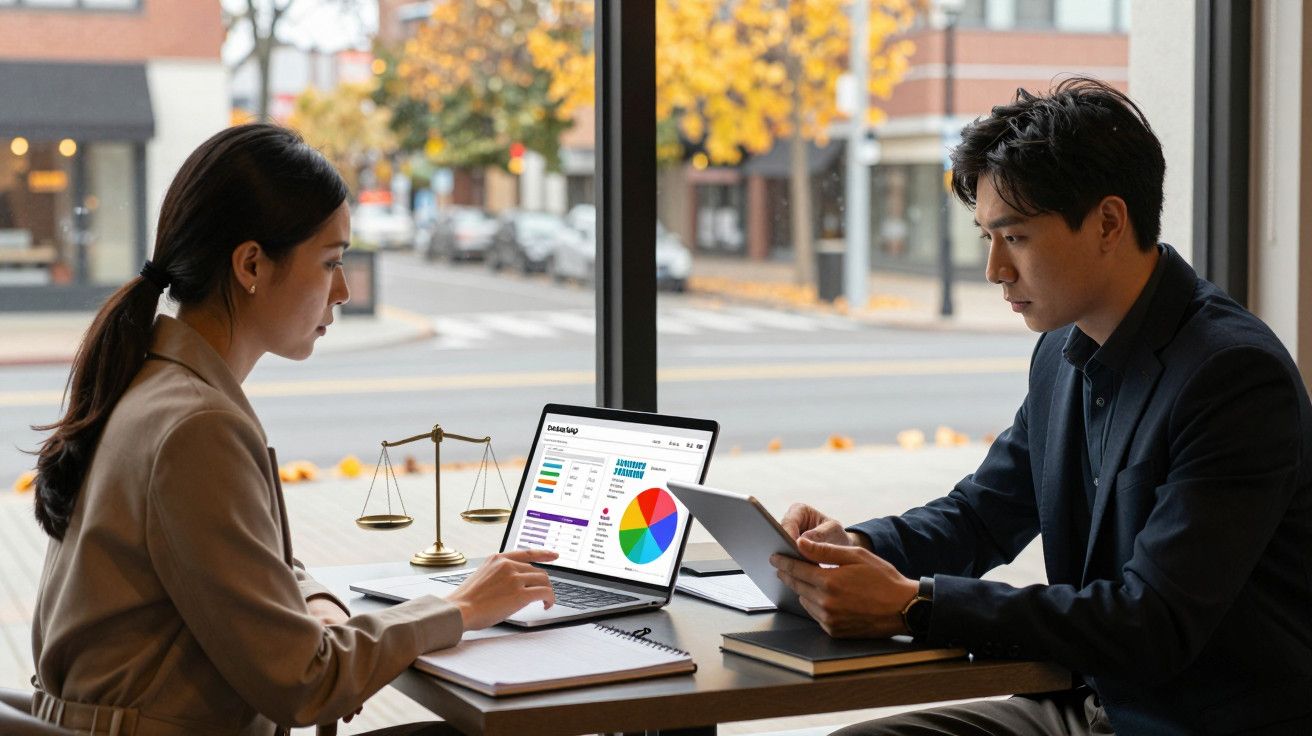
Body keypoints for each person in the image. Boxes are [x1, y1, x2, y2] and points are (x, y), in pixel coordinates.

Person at [770, 77, 1312, 735]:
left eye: (1016, 237)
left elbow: (1151, 623)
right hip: (1084, 707)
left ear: (1108, 222)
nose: (995, 269)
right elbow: (982, 514)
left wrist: (915, 606)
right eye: (986, 238)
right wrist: (851, 546)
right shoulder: (1063, 350)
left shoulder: (1232, 376)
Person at [28, 123, 558, 736]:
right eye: (331, 261)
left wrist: (317, 600)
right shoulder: (195, 425)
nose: (344, 290)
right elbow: (305, 682)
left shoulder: (155, 385)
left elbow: (236, 563)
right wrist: (460, 608)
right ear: (252, 264)